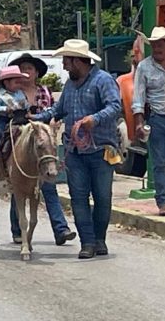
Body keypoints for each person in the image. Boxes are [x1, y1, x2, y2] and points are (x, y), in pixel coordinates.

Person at [32, 39, 121, 260]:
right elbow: (58, 110)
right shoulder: (70, 85)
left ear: (77, 61)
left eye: (66, 61)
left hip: (101, 149)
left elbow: (115, 106)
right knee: (78, 197)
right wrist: (35, 118)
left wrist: (95, 119)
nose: (63, 65)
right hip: (75, 153)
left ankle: (99, 239)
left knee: (102, 198)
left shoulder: (104, 80)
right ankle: (88, 243)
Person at [7, 54, 76, 245]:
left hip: (41, 144)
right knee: (18, 185)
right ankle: (17, 229)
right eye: (22, 69)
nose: (25, 72)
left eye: (29, 68)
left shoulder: (44, 92)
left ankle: (61, 229)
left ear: (36, 73)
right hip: (21, 140)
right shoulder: (12, 93)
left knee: (48, 185)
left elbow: (52, 113)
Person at [132, 26, 165, 216]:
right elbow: (138, 97)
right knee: (160, 161)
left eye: (160, 44)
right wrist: (139, 122)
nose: (157, 49)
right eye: (154, 45)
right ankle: (163, 201)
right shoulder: (145, 66)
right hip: (158, 117)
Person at [0, 65, 29, 165]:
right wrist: (5, 108)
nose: (18, 85)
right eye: (16, 82)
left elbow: (26, 104)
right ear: (6, 82)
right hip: (5, 119)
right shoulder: (1, 96)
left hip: (21, 118)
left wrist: (28, 109)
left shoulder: (20, 93)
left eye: (19, 82)